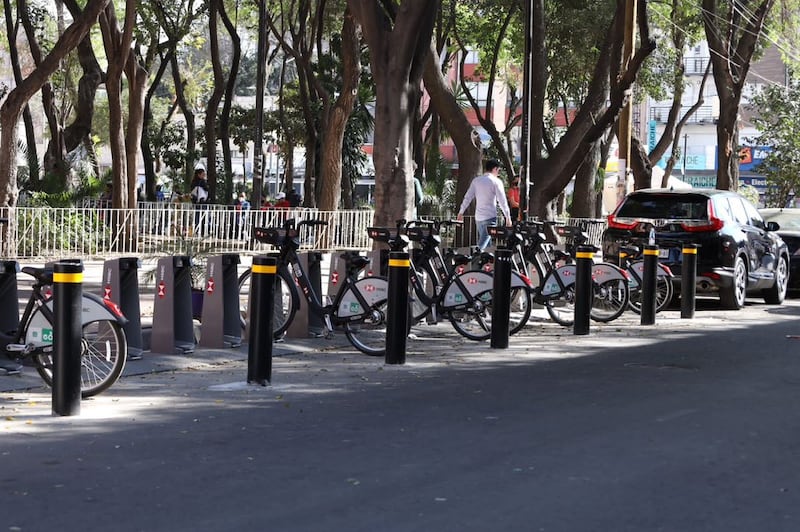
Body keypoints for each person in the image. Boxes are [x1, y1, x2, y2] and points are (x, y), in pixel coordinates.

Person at [456, 159, 512, 250]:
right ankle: (474, 259)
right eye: (498, 170)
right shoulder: (496, 181)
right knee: (482, 245)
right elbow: (502, 201)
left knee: (487, 244)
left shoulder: (476, 181)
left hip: (478, 217)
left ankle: (486, 262)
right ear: (494, 169)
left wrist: (461, 212)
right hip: (490, 217)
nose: (498, 173)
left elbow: (468, 197)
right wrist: (508, 217)